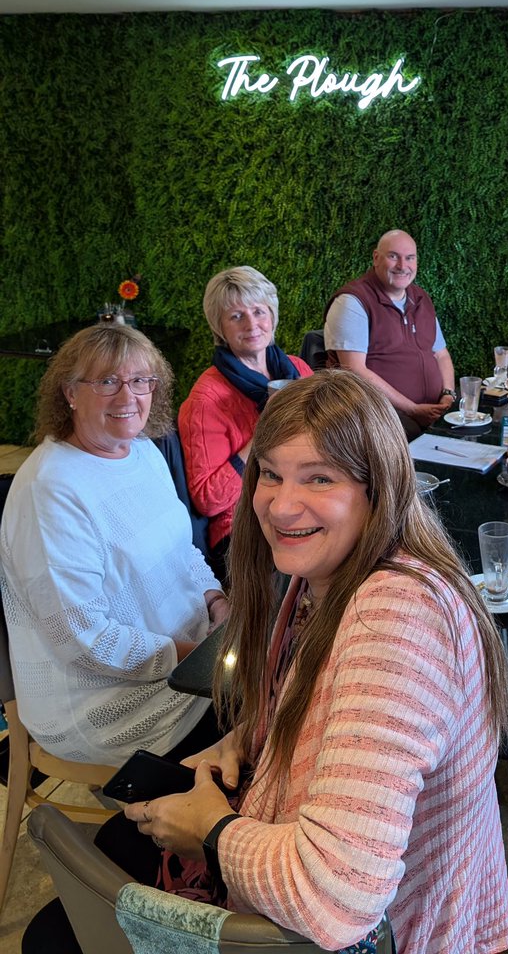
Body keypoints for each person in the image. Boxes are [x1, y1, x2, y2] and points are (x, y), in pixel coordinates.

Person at [76, 371, 508, 954]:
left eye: (320, 478)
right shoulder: (319, 579)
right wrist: (252, 736)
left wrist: (211, 833)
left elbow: (338, 901)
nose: (281, 506)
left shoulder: (394, 619)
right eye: (271, 474)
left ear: (379, 489)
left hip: (403, 933)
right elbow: (326, 702)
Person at [0, 324, 227, 768]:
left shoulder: (142, 450)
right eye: (106, 381)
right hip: (105, 704)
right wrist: (199, 660)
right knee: (261, 733)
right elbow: (83, 640)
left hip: (189, 659)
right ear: (69, 392)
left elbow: (184, 553)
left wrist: (217, 601)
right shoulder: (51, 489)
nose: (128, 397)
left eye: (141, 380)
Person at [179, 266, 313, 579]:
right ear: (220, 327)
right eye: (236, 316)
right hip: (243, 525)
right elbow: (208, 500)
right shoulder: (206, 399)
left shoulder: (298, 369)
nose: (251, 324)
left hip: (303, 497)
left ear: (272, 316)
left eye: (258, 311)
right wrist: (262, 434)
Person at [324, 230, 456, 439]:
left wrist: (448, 395)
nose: (403, 266)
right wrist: (412, 409)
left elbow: (441, 354)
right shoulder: (352, 301)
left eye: (410, 258)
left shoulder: (421, 298)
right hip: (378, 416)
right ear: (376, 258)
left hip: (432, 412)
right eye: (393, 256)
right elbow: (354, 370)